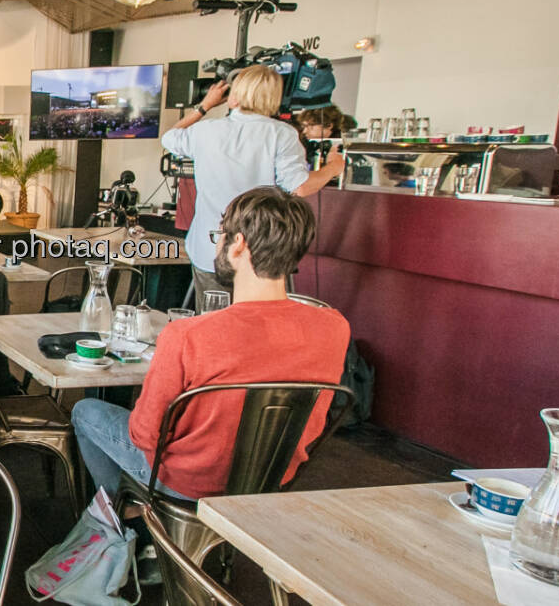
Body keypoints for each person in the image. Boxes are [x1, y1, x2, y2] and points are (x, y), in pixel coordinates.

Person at [71, 186, 350, 500]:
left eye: (220, 235)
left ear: (238, 246)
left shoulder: (187, 334)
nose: (218, 243)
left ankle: (120, 519)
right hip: (275, 477)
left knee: (85, 412)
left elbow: (144, 435)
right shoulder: (334, 327)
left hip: (187, 483)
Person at [161, 65, 344, 309]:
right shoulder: (282, 134)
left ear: (235, 95)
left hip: (209, 249)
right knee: (257, 327)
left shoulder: (206, 130)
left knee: (211, 325)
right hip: (259, 253)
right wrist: (333, 168)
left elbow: (170, 138)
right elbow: (299, 187)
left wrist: (204, 106)